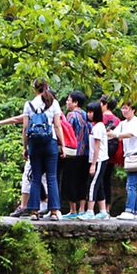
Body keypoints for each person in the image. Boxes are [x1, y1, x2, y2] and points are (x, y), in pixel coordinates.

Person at [23, 81, 64, 217]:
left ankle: (34, 211)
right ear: (47, 87)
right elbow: (57, 126)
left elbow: (25, 128)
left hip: (34, 144)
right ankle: (53, 211)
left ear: (34, 88)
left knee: (36, 178)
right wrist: (62, 145)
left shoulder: (29, 105)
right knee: (51, 177)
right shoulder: (54, 103)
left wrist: (25, 147)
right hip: (50, 142)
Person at [59, 94, 90, 218]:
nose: (67, 102)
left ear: (76, 102)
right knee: (82, 180)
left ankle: (73, 210)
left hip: (73, 152)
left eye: (69, 100)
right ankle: (82, 208)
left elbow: (67, 132)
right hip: (86, 152)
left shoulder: (71, 115)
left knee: (70, 180)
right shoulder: (85, 114)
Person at [114, 99, 137, 217]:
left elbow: (130, 134)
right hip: (129, 157)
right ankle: (135, 212)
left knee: (130, 185)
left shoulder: (136, 122)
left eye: (126, 108)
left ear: (133, 110)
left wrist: (116, 135)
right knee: (132, 185)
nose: (124, 111)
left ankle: (129, 210)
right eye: (122, 108)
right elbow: (115, 133)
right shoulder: (123, 123)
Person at [84, 100, 113, 219]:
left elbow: (97, 146)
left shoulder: (98, 127)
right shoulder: (97, 126)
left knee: (92, 184)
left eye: (91, 112)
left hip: (99, 159)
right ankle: (103, 212)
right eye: (88, 112)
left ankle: (90, 211)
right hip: (98, 159)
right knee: (99, 185)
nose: (88, 114)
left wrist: (93, 164)